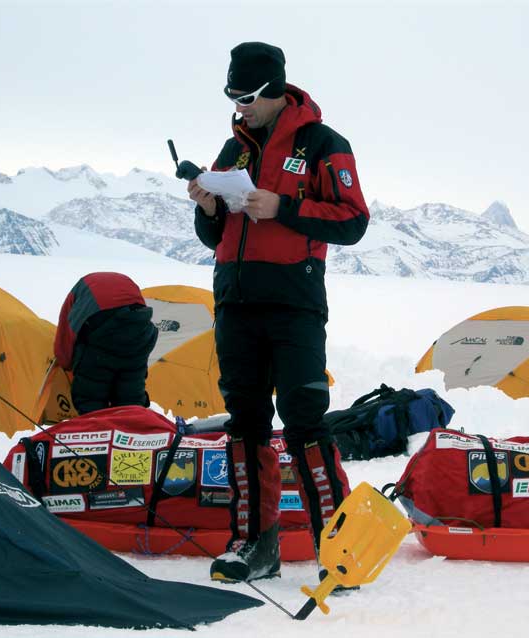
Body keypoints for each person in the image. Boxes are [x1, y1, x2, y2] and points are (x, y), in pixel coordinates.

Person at [188, 42, 369, 582]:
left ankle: (339, 550)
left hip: (294, 304)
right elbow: (213, 236)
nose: (238, 107)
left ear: (271, 91)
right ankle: (253, 546)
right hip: (235, 303)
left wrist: (282, 207)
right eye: (231, 96)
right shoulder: (232, 148)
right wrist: (208, 208)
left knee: (306, 423)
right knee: (245, 425)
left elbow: (353, 220)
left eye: (244, 97)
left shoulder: (323, 144)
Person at [54, 272, 158, 415]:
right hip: (138, 337)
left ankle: (98, 430)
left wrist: (65, 361)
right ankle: (133, 427)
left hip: (101, 339)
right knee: (131, 393)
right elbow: (140, 316)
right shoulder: (126, 284)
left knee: (91, 397)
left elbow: (68, 329)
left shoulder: (79, 291)